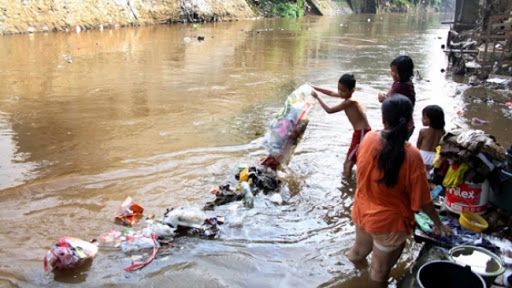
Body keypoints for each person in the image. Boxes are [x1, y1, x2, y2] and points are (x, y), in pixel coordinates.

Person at [346, 95, 450, 288]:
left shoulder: (368, 138)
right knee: (378, 272)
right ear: (410, 122)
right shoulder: (412, 155)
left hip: (361, 211)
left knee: (357, 253)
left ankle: (352, 279)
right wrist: (438, 224)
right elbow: (422, 199)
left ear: (384, 119)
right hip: (389, 224)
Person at [311, 74, 371, 180]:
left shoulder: (350, 101)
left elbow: (329, 110)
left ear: (352, 90)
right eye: (339, 89)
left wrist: (317, 97)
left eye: (342, 91)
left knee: (347, 164)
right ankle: (352, 184)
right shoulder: (346, 95)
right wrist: (314, 87)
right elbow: (330, 92)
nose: (340, 93)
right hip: (359, 132)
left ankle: (346, 187)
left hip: (362, 133)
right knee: (353, 161)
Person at [417, 105, 445, 171]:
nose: (422, 119)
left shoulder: (423, 131)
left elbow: (418, 145)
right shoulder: (443, 132)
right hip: (436, 157)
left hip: (422, 156)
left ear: (432, 120)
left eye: (424, 117)